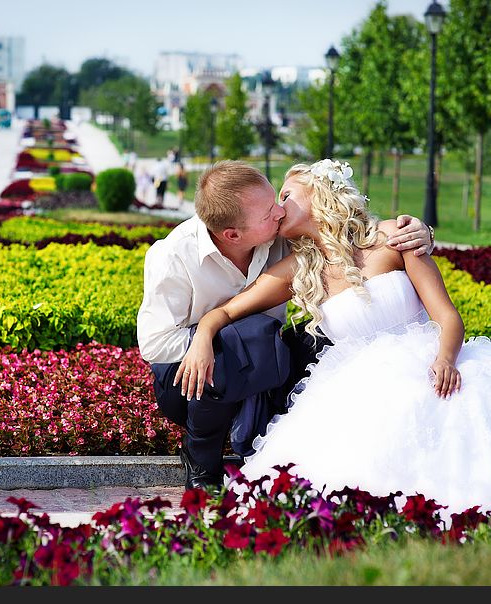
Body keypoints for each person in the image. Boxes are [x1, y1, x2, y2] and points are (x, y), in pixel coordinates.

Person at [175, 159, 491, 513]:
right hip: (358, 386)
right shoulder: (296, 268)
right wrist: (204, 335)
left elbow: (448, 317)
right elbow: (228, 310)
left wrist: (446, 358)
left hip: (434, 363)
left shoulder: (394, 238)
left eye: (287, 194)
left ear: (321, 194)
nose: (277, 209)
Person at [138, 160, 434, 489]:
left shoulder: (281, 234)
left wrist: (421, 234)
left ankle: (267, 440)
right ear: (233, 234)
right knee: (250, 336)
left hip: (260, 362)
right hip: (188, 382)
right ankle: (201, 462)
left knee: (311, 343)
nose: (279, 211)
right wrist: (204, 341)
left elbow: (338, 230)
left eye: (277, 200)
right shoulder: (174, 255)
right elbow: (154, 344)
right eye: (269, 211)